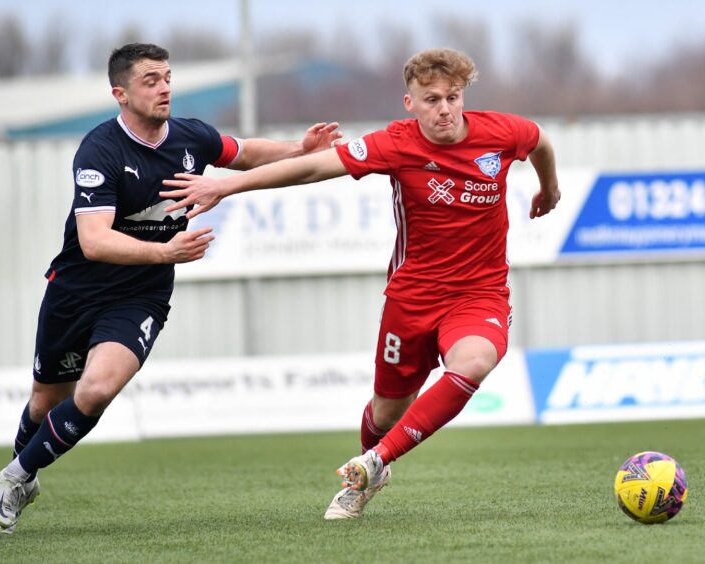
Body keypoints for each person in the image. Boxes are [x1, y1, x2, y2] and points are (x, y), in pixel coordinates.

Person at [161, 47, 560, 520]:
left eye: (453, 97)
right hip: (411, 298)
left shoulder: (501, 131)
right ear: (410, 103)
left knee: (474, 362)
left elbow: (540, 143)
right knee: (386, 414)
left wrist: (548, 187)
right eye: (431, 99)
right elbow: (312, 166)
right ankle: (374, 460)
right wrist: (225, 186)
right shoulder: (397, 143)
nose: (445, 109)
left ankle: (373, 464)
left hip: (480, 294)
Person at [0, 42, 342, 537]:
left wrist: (299, 150)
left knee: (99, 388)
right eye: (151, 80)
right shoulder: (100, 149)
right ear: (121, 93)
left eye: (168, 77)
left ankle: (14, 477)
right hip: (77, 291)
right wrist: (164, 253)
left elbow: (244, 153)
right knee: (45, 402)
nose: (165, 87)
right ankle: (26, 470)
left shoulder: (191, 137)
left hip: (141, 296)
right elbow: (93, 241)